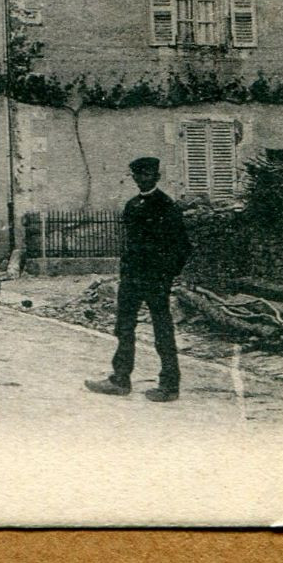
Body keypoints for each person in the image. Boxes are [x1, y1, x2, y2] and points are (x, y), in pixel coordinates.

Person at [87, 157, 193, 403]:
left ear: (156, 176)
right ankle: (120, 379)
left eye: (147, 175)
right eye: (137, 175)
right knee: (123, 328)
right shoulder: (132, 205)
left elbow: (182, 247)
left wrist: (166, 274)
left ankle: (169, 385)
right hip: (132, 278)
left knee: (162, 331)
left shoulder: (167, 206)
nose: (141, 179)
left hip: (155, 279)